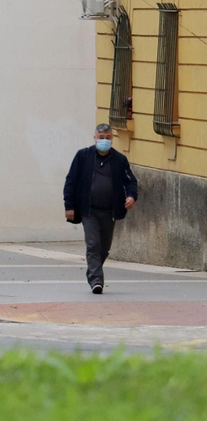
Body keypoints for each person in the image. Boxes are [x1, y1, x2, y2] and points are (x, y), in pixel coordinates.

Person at [63, 123, 139, 294]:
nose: (104, 140)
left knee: (104, 247)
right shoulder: (83, 156)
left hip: (109, 212)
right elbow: (71, 181)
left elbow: (130, 181)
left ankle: (92, 271)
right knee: (93, 244)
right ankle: (96, 281)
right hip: (89, 210)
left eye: (108, 137)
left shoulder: (119, 160)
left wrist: (131, 196)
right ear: (95, 138)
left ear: (112, 138)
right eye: (101, 137)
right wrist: (69, 205)